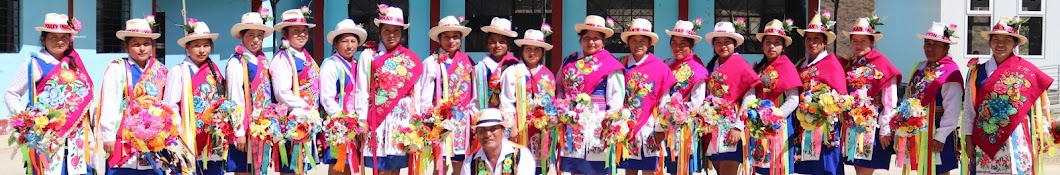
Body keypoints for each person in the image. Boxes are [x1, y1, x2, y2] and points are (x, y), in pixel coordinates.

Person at [4, 13, 95, 175]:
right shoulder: (34, 63)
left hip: (76, 133)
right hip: (47, 134)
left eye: (64, 37)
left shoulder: (75, 63)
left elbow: (86, 96)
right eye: (53, 37)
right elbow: (11, 93)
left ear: (69, 40)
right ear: (43, 39)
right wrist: (26, 122)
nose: (59, 41)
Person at [963, 16, 1053, 175]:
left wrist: (1043, 131)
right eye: (995, 39)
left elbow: (1040, 105)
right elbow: (970, 109)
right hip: (984, 139)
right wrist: (968, 140)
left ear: (1015, 44)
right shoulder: (977, 72)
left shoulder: (1026, 72)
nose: (1000, 44)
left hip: (1016, 138)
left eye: (1007, 40)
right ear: (989, 42)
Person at [98, 17, 168, 175]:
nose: (142, 48)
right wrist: (108, 136)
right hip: (124, 136)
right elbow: (110, 103)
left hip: (153, 138)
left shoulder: (161, 70)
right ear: (126, 46)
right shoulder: (117, 69)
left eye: (146, 44)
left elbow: (166, 106)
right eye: (136, 44)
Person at [557, 14, 625, 175]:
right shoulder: (569, 61)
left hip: (598, 123)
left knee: (597, 168)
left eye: (596, 38)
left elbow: (616, 97)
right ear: (581, 39)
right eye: (587, 37)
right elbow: (559, 85)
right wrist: (562, 107)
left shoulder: (610, 64)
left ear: (604, 41)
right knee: (576, 167)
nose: (591, 42)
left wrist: (611, 124)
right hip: (573, 122)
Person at [363, 5, 426, 175]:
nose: (391, 35)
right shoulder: (369, 55)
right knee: (382, 166)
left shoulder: (409, 58)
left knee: (396, 166)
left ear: (402, 33)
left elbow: (416, 92)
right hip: (379, 118)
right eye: (387, 30)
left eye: (396, 31)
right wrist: (362, 119)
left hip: (402, 118)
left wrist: (417, 119)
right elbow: (362, 89)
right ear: (380, 31)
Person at [162, 20, 225, 175]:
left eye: (206, 45)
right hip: (188, 137)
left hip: (212, 137)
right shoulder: (178, 71)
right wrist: (179, 136)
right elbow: (170, 106)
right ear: (187, 47)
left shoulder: (214, 71)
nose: (202, 50)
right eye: (197, 45)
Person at [615, 18, 676, 175]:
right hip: (626, 124)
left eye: (642, 40)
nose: (638, 44)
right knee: (630, 167)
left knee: (650, 167)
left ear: (649, 43)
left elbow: (665, 99)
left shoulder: (660, 67)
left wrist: (661, 127)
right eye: (634, 40)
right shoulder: (620, 64)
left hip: (650, 124)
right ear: (628, 42)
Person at [840, 17, 900, 175]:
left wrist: (885, 129)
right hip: (853, 124)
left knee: (865, 170)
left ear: (872, 42)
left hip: (873, 125)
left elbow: (890, 99)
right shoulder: (850, 64)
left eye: (863, 41)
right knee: (858, 167)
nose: (858, 45)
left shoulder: (883, 64)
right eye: (855, 41)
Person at [702, 21, 762, 175]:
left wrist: (738, 127)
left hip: (731, 126)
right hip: (712, 127)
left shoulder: (741, 65)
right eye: (718, 42)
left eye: (727, 42)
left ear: (735, 44)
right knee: (719, 169)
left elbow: (750, 97)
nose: (723, 46)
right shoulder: (711, 66)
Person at [905, 22, 964, 175]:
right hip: (918, 129)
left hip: (937, 130)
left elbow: (953, 107)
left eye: (936, 45)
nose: (930, 48)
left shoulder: (951, 72)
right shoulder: (919, 67)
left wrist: (941, 136)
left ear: (946, 48)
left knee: (938, 170)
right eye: (927, 43)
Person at [421, 15, 475, 175]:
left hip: (462, 121)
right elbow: (425, 93)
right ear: (439, 39)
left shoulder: (468, 62)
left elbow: (473, 92)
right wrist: (428, 118)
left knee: (460, 160)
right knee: (440, 161)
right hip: (440, 120)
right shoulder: (431, 62)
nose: (451, 41)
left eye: (456, 37)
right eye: (446, 37)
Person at [793, 12, 847, 175]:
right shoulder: (802, 64)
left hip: (824, 126)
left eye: (816, 39)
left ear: (824, 42)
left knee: (826, 167)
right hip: (804, 124)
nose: (812, 42)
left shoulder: (832, 64)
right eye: (808, 38)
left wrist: (823, 107)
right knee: (808, 168)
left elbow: (842, 96)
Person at [269, 8, 320, 175]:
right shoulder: (282, 58)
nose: (302, 34)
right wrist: (305, 107)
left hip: (306, 119)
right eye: (296, 31)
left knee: (301, 168)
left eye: (304, 31)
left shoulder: (304, 56)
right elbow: (282, 92)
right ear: (285, 33)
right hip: (292, 119)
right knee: (291, 168)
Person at [225, 10, 275, 175]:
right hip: (246, 128)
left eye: (259, 36)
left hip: (262, 127)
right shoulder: (237, 62)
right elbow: (235, 98)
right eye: (251, 35)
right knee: (244, 170)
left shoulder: (263, 59)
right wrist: (239, 131)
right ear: (242, 36)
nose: (256, 40)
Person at [500, 26, 556, 174]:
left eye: (537, 49)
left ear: (542, 52)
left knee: (538, 167)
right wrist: (511, 127)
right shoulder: (512, 72)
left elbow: (551, 104)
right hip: (517, 129)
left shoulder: (548, 75)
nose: (532, 53)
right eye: (528, 49)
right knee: (515, 166)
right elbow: (506, 103)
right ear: (522, 51)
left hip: (540, 131)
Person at [319, 19, 370, 175]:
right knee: (339, 166)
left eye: (353, 41)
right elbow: (326, 98)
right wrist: (344, 121)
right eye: (345, 41)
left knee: (350, 166)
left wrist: (360, 120)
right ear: (335, 44)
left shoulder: (356, 64)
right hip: (339, 125)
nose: (350, 46)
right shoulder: (330, 65)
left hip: (354, 124)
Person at [751, 19, 802, 175]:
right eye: (768, 42)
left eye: (776, 42)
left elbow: (793, 99)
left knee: (779, 166)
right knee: (762, 166)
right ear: (762, 45)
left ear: (783, 46)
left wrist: (775, 116)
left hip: (780, 123)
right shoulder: (759, 68)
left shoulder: (787, 67)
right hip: (760, 124)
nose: (772, 46)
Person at [661, 19, 709, 175]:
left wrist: (676, 112)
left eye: (683, 44)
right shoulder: (667, 64)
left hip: (684, 126)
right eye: (674, 42)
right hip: (663, 123)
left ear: (691, 45)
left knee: (682, 166)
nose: (677, 47)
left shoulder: (697, 68)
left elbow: (697, 101)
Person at [459, 108, 536, 175]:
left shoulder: (522, 155)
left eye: (493, 129)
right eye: (482, 130)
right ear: (477, 134)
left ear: (503, 131)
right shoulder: (469, 163)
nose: (488, 134)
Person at [473, 17, 520, 117]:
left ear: (508, 44)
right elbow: (475, 99)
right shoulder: (480, 68)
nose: (497, 45)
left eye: (502, 42)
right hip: (486, 119)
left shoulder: (517, 66)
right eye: (493, 42)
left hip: (510, 120)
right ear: (487, 44)